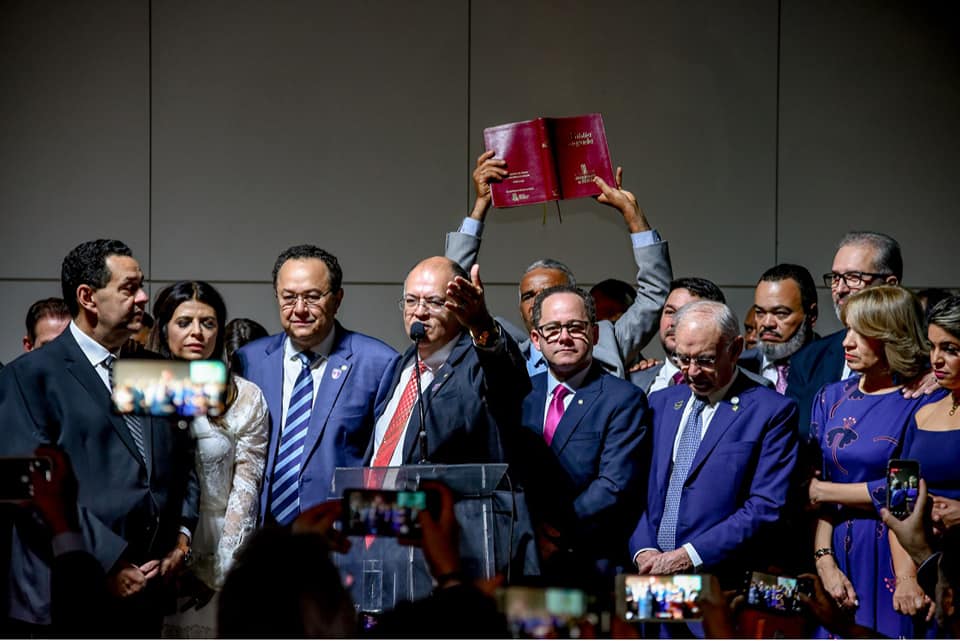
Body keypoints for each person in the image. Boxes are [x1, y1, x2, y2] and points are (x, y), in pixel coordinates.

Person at [0, 239, 199, 637]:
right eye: (129, 288)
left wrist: (181, 537)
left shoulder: (157, 370)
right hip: (64, 596)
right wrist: (108, 562)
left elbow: (184, 463)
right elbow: (28, 485)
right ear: (88, 297)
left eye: (142, 286)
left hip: (146, 593)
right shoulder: (30, 374)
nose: (143, 297)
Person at [446, 151, 672, 379]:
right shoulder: (504, 349)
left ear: (577, 298)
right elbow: (449, 293)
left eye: (550, 292)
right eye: (528, 296)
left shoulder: (605, 342)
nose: (537, 302)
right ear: (520, 309)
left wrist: (631, 212)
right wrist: (481, 205)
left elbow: (655, 294)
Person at [629, 301, 798, 589]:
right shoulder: (660, 403)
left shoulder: (771, 411)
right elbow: (634, 489)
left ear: (735, 349)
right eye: (683, 358)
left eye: (705, 360)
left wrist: (689, 556)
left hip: (720, 583)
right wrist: (643, 549)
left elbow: (765, 506)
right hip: (652, 576)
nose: (692, 372)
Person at [807, 285, 944, 638]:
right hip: (837, 549)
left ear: (892, 337)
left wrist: (826, 490)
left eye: (862, 333)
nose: (846, 343)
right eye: (847, 330)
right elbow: (817, 495)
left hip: (897, 553)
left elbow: (904, 491)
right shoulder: (830, 398)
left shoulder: (921, 399)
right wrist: (824, 562)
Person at [236, 245, 400, 526]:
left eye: (312, 297)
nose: (299, 309)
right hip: (262, 537)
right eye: (288, 298)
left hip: (338, 538)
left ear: (337, 299)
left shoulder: (378, 363)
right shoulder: (249, 361)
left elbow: (388, 465)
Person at [146, 281, 269, 638]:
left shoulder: (244, 396)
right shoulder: (141, 388)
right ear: (164, 326)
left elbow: (246, 490)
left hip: (219, 550)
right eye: (184, 322)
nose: (196, 333)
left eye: (209, 323)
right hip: (152, 553)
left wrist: (217, 573)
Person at [515, 285, 650, 578]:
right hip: (524, 558)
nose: (564, 337)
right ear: (536, 339)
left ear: (595, 334)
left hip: (589, 564)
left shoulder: (623, 399)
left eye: (575, 327)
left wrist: (553, 533)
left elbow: (613, 486)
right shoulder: (521, 395)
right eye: (552, 329)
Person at [366, 257, 529, 466]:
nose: (420, 312)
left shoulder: (477, 363)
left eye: (434, 302)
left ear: (459, 306)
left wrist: (481, 324)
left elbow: (510, 381)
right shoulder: (404, 363)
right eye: (411, 300)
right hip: (382, 497)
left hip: (446, 497)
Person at [887, 296, 960, 625]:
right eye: (932, 347)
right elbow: (898, 502)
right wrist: (907, 578)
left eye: (950, 349)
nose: (936, 360)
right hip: (922, 575)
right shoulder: (922, 413)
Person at [787, 231, 903, 436]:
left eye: (853, 278)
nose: (840, 289)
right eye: (835, 278)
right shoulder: (808, 360)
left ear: (890, 285)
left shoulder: (926, 363)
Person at [742, 264, 819, 394]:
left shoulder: (833, 365)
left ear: (812, 315)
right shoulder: (739, 366)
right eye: (760, 312)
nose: (767, 323)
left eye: (781, 313)